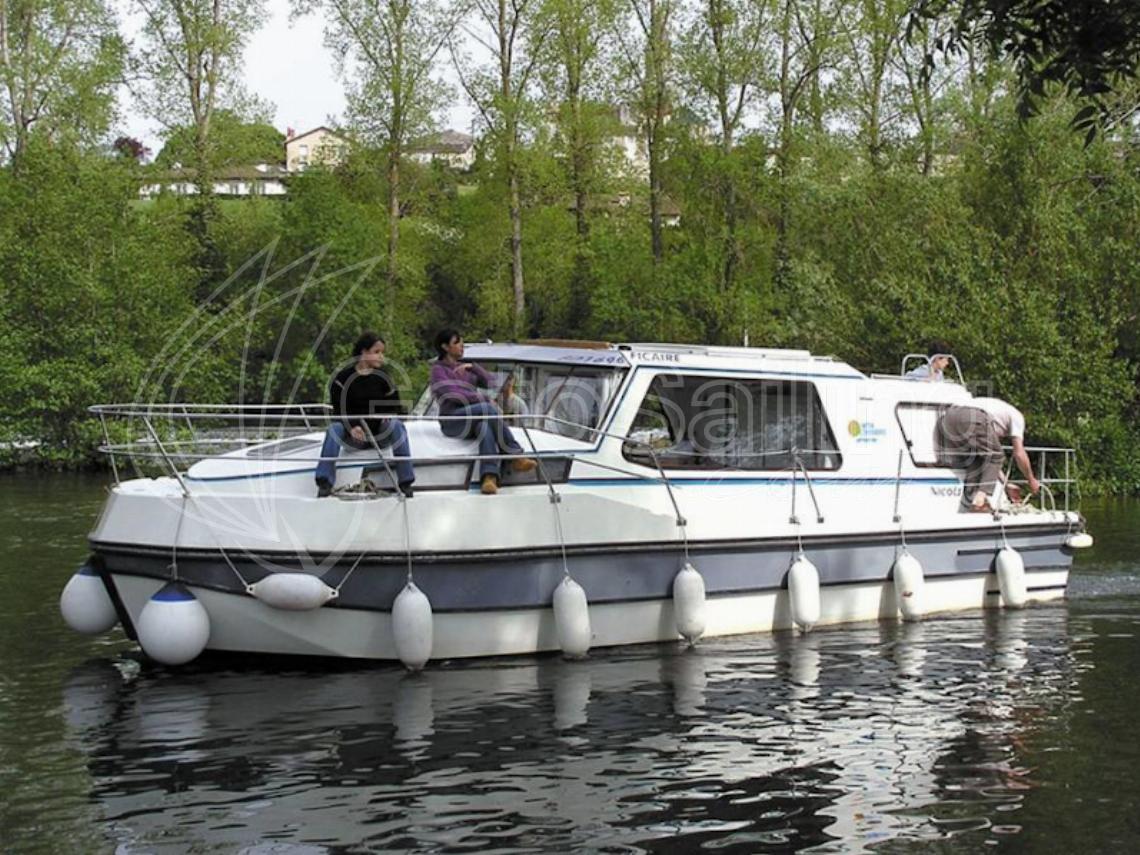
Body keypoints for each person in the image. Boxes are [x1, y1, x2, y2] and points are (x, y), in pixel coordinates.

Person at [429, 329, 536, 495]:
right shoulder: (438, 371)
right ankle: (515, 454)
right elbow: (453, 395)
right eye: (457, 342)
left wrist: (474, 368)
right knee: (487, 408)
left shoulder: (466, 368)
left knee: (484, 427)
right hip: (452, 420)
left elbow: (492, 383)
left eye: (462, 341)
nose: (462, 345)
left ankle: (489, 478)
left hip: (473, 418)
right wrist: (482, 398)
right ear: (445, 347)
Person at [315, 332, 415, 498]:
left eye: (382, 352)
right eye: (377, 352)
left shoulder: (383, 378)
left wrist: (388, 415)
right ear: (363, 352)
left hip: (378, 434)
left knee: (396, 425)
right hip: (354, 436)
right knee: (334, 428)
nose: (381, 357)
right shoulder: (342, 378)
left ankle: (406, 482)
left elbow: (395, 405)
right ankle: (324, 481)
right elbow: (339, 410)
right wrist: (352, 427)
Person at [937, 396, 1040, 512]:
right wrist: (1031, 479)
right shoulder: (1018, 418)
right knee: (996, 455)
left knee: (978, 459)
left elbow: (991, 463)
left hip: (947, 419)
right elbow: (1019, 453)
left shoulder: (997, 417)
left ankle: (971, 502)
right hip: (970, 415)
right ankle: (979, 502)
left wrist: (1006, 484)